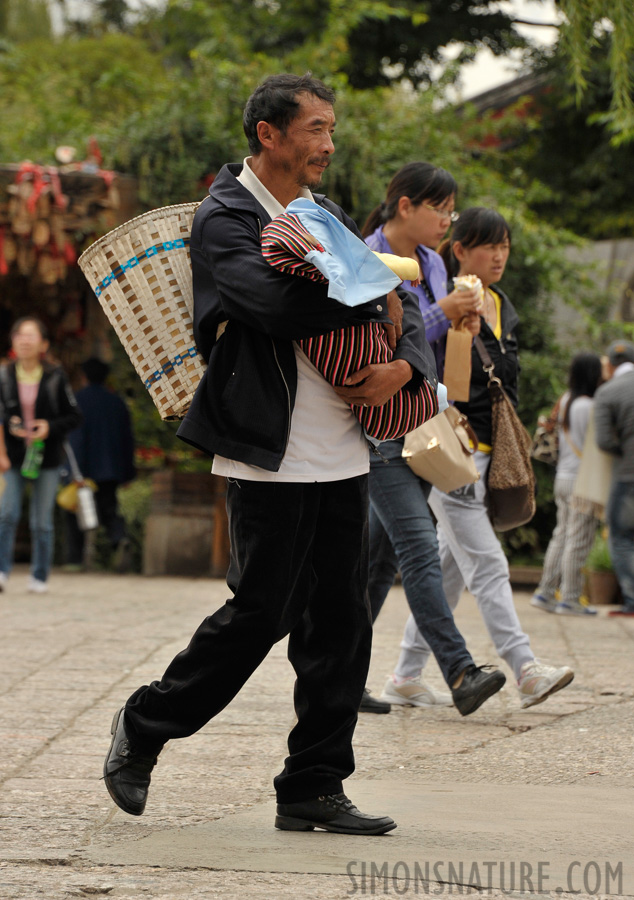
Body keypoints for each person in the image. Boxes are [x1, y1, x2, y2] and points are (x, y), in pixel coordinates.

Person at [103, 73, 437, 836]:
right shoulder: (224, 218)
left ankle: (313, 783)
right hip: (268, 451)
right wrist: (372, 289)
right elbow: (271, 304)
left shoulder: (323, 214)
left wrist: (403, 367)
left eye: (330, 128)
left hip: (345, 450)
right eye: (316, 129)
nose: (329, 143)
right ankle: (146, 722)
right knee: (261, 613)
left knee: (341, 621)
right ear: (270, 135)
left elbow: (404, 305)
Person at [383, 207, 575, 710]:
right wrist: (452, 317)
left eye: (505, 245)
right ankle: (526, 667)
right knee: (487, 563)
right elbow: (439, 373)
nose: (499, 254)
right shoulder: (448, 302)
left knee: (448, 569)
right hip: (452, 452)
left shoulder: (500, 304)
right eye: (488, 244)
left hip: (491, 451)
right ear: (461, 250)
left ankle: (405, 674)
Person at [360, 164, 507, 716]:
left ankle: (336, 673)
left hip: (422, 426)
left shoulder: (430, 265)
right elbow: (384, 334)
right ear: (405, 206)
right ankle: (461, 670)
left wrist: (456, 323)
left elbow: (431, 345)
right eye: (440, 209)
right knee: (420, 549)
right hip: (380, 432)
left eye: (450, 210)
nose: (448, 220)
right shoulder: (366, 256)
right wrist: (440, 314)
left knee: (375, 566)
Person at [0, 316, 81, 593]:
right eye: (19, 334)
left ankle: (39, 576)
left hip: (46, 458)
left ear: (43, 344)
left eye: (31, 335)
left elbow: (74, 416)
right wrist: (12, 426)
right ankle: (1, 571)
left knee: (42, 521)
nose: (24, 340)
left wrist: (49, 427)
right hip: (13, 457)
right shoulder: (4, 374)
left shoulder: (55, 375)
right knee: (7, 513)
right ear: (13, 341)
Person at [532, 353, 602, 616]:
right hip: (582, 481)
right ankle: (570, 597)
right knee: (579, 539)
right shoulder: (590, 405)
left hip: (563, 476)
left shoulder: (565, 400)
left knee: (561, 535)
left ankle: (545, 592)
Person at [64, 357, 136, 571]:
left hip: (83, 468)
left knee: (75, 512)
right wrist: (127, 472)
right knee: (108, 508)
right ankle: (118, 538)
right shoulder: (117, 402)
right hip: (110, 468)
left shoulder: (77, 401)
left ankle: (74, 561)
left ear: (84, 376)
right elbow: (127, 439)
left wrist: (72, 471)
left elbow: (74, 439)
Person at [594, 339, 634, 617]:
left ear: (609, 364)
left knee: (621, 537)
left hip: (629, 475)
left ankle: (633, 600)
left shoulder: (607, 393)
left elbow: (605, 441)